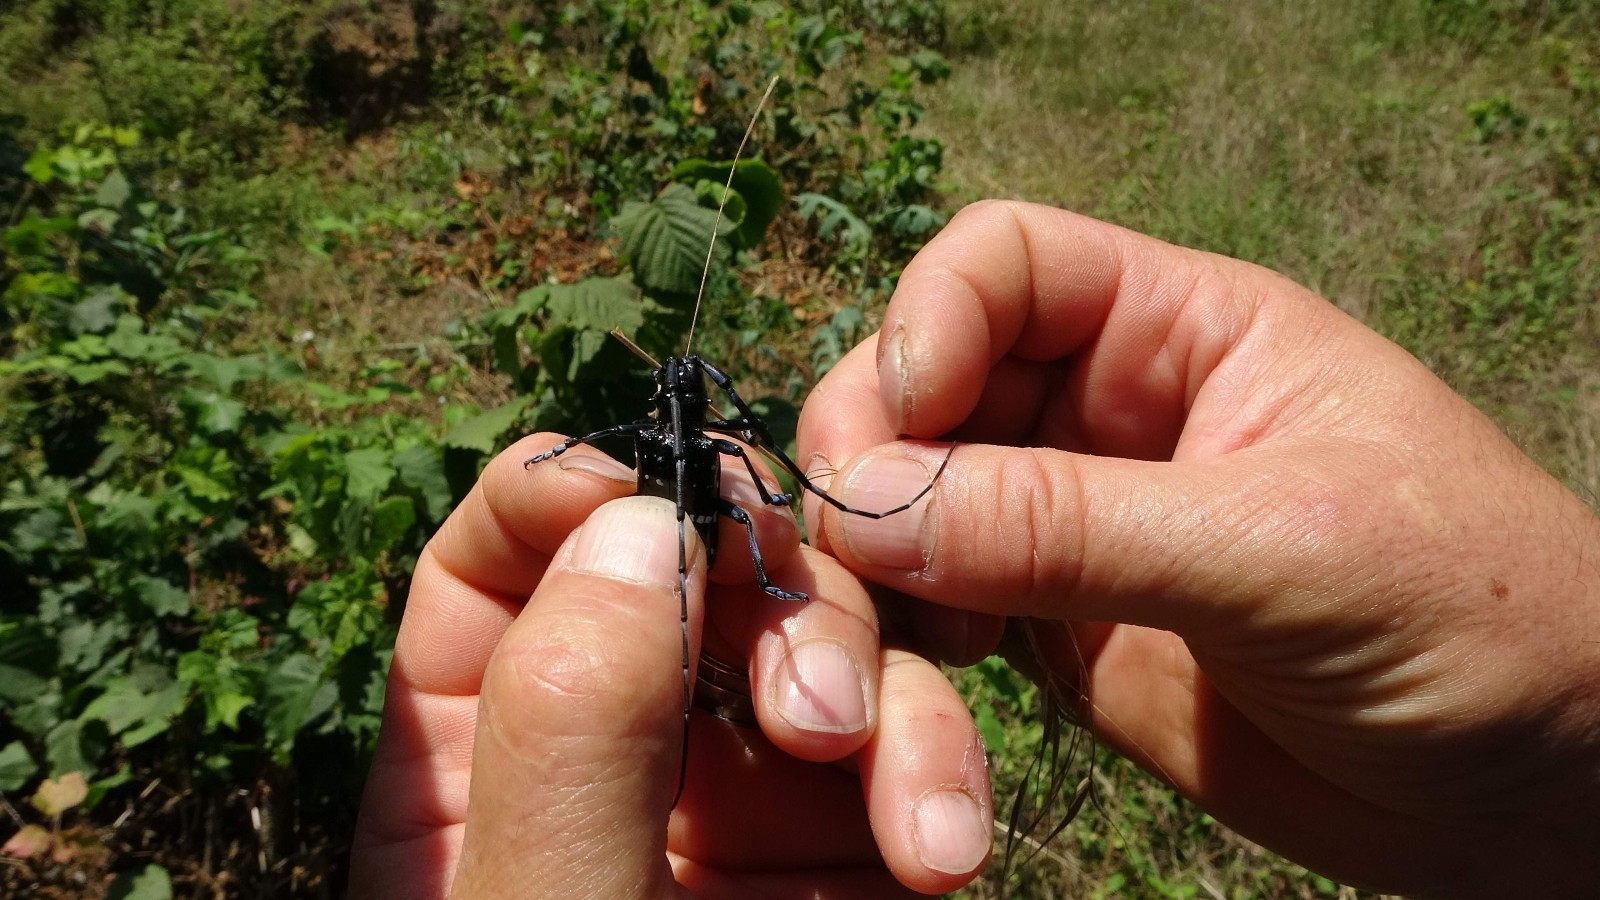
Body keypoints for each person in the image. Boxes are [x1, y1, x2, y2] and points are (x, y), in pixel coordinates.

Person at [351, 201, 1600, 898]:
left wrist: (1557, 787)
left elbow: (733, 443)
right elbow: (687, 440)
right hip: (682, 558)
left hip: (727, 556)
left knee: (749, 528)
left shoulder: (710, 429)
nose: (683, 388)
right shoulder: (661, 440)